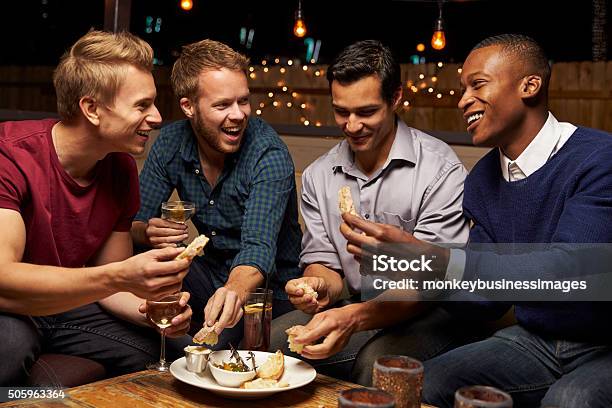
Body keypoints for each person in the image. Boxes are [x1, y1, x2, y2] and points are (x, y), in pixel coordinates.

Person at [342, 34, 612, 408]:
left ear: (529, 85)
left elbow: (572, 273)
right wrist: (413, 264)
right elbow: (487, 301)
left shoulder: (599, 159)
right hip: (535, 340)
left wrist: (437, 260)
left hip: (604, 344)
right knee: (424, 382)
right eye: (461, 88)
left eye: (477, 84)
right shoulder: (484, 179)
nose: (463, 99)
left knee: (570, 399)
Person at [269, 40, 474, 385]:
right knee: (273, 341)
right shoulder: (321, 175)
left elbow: (435, 281)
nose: (351, 126)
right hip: (358, 303)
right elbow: (326, 263)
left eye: (366, 112)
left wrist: (355, 316)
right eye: (341, 112)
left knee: (376, 363)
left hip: (432, 309)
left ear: (395, 99)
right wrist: (317, 285)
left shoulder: (440, 171)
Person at [0, 30, 194, 386]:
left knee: (177, 348)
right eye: (141, 105)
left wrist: (149, 311)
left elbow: (113, 277)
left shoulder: (120, 168)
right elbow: (4, 280)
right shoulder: (10, 155)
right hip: (12, 309)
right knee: (10, 345)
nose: (155, 117)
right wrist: (117, 276)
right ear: (91, 108)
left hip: (68, 308)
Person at [131, 39, 302, 348]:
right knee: (135, 259)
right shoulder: (170, 143)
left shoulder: (268, 153)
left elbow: (258, 248)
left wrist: (232, 291)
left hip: (266, 289)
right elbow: (134, 222)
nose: (238, 115)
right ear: (188, 107)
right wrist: (147, 232)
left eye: (243, 101)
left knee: (217, 353)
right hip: (206, 275)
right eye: (222, 105)